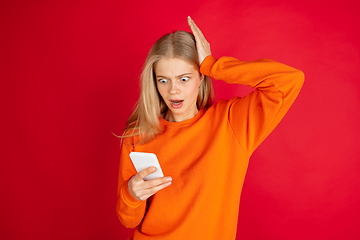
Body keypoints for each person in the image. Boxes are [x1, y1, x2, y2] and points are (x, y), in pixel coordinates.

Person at [116, 16, 304, 239]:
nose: (173, 90)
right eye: (163, 80)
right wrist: (131, 195)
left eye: (184, 79)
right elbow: (129, 220)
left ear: (200, 78)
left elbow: (289, 80)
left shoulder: (230, 122)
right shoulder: (138, 135)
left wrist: (212, 65)